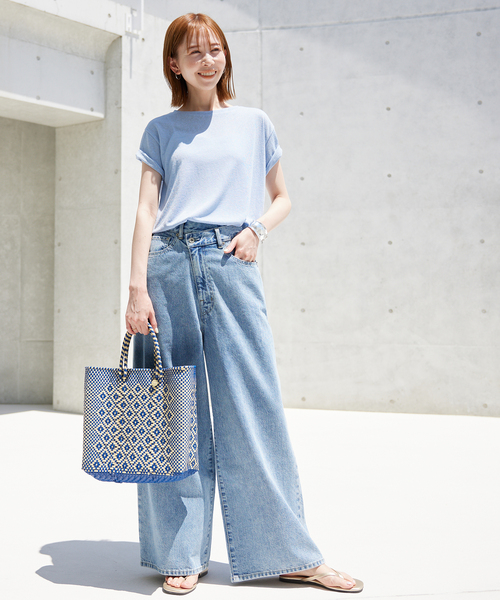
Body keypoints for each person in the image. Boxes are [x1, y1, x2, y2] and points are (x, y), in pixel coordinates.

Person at [125, 12, 363, 596]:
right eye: (194, 52)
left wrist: (257, 229)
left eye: (216, 49)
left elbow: (282, 197)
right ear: (174, 64)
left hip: (231, 263)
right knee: (172, 413)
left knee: (255, 406)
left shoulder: (255, 123)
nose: (208, 60)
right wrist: (136, 289)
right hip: (168, 266)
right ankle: (180, 553)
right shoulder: (160, 129)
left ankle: (290, 553)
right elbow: (147, 211)